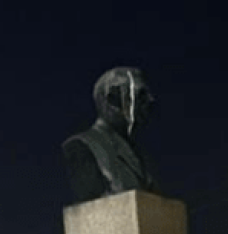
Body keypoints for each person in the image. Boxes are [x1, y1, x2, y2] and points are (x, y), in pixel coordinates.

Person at [62, 67, 157, 202]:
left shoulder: (139, 154)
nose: (150, 100)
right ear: (113, 100)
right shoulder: (83, 146)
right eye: (140, 95)